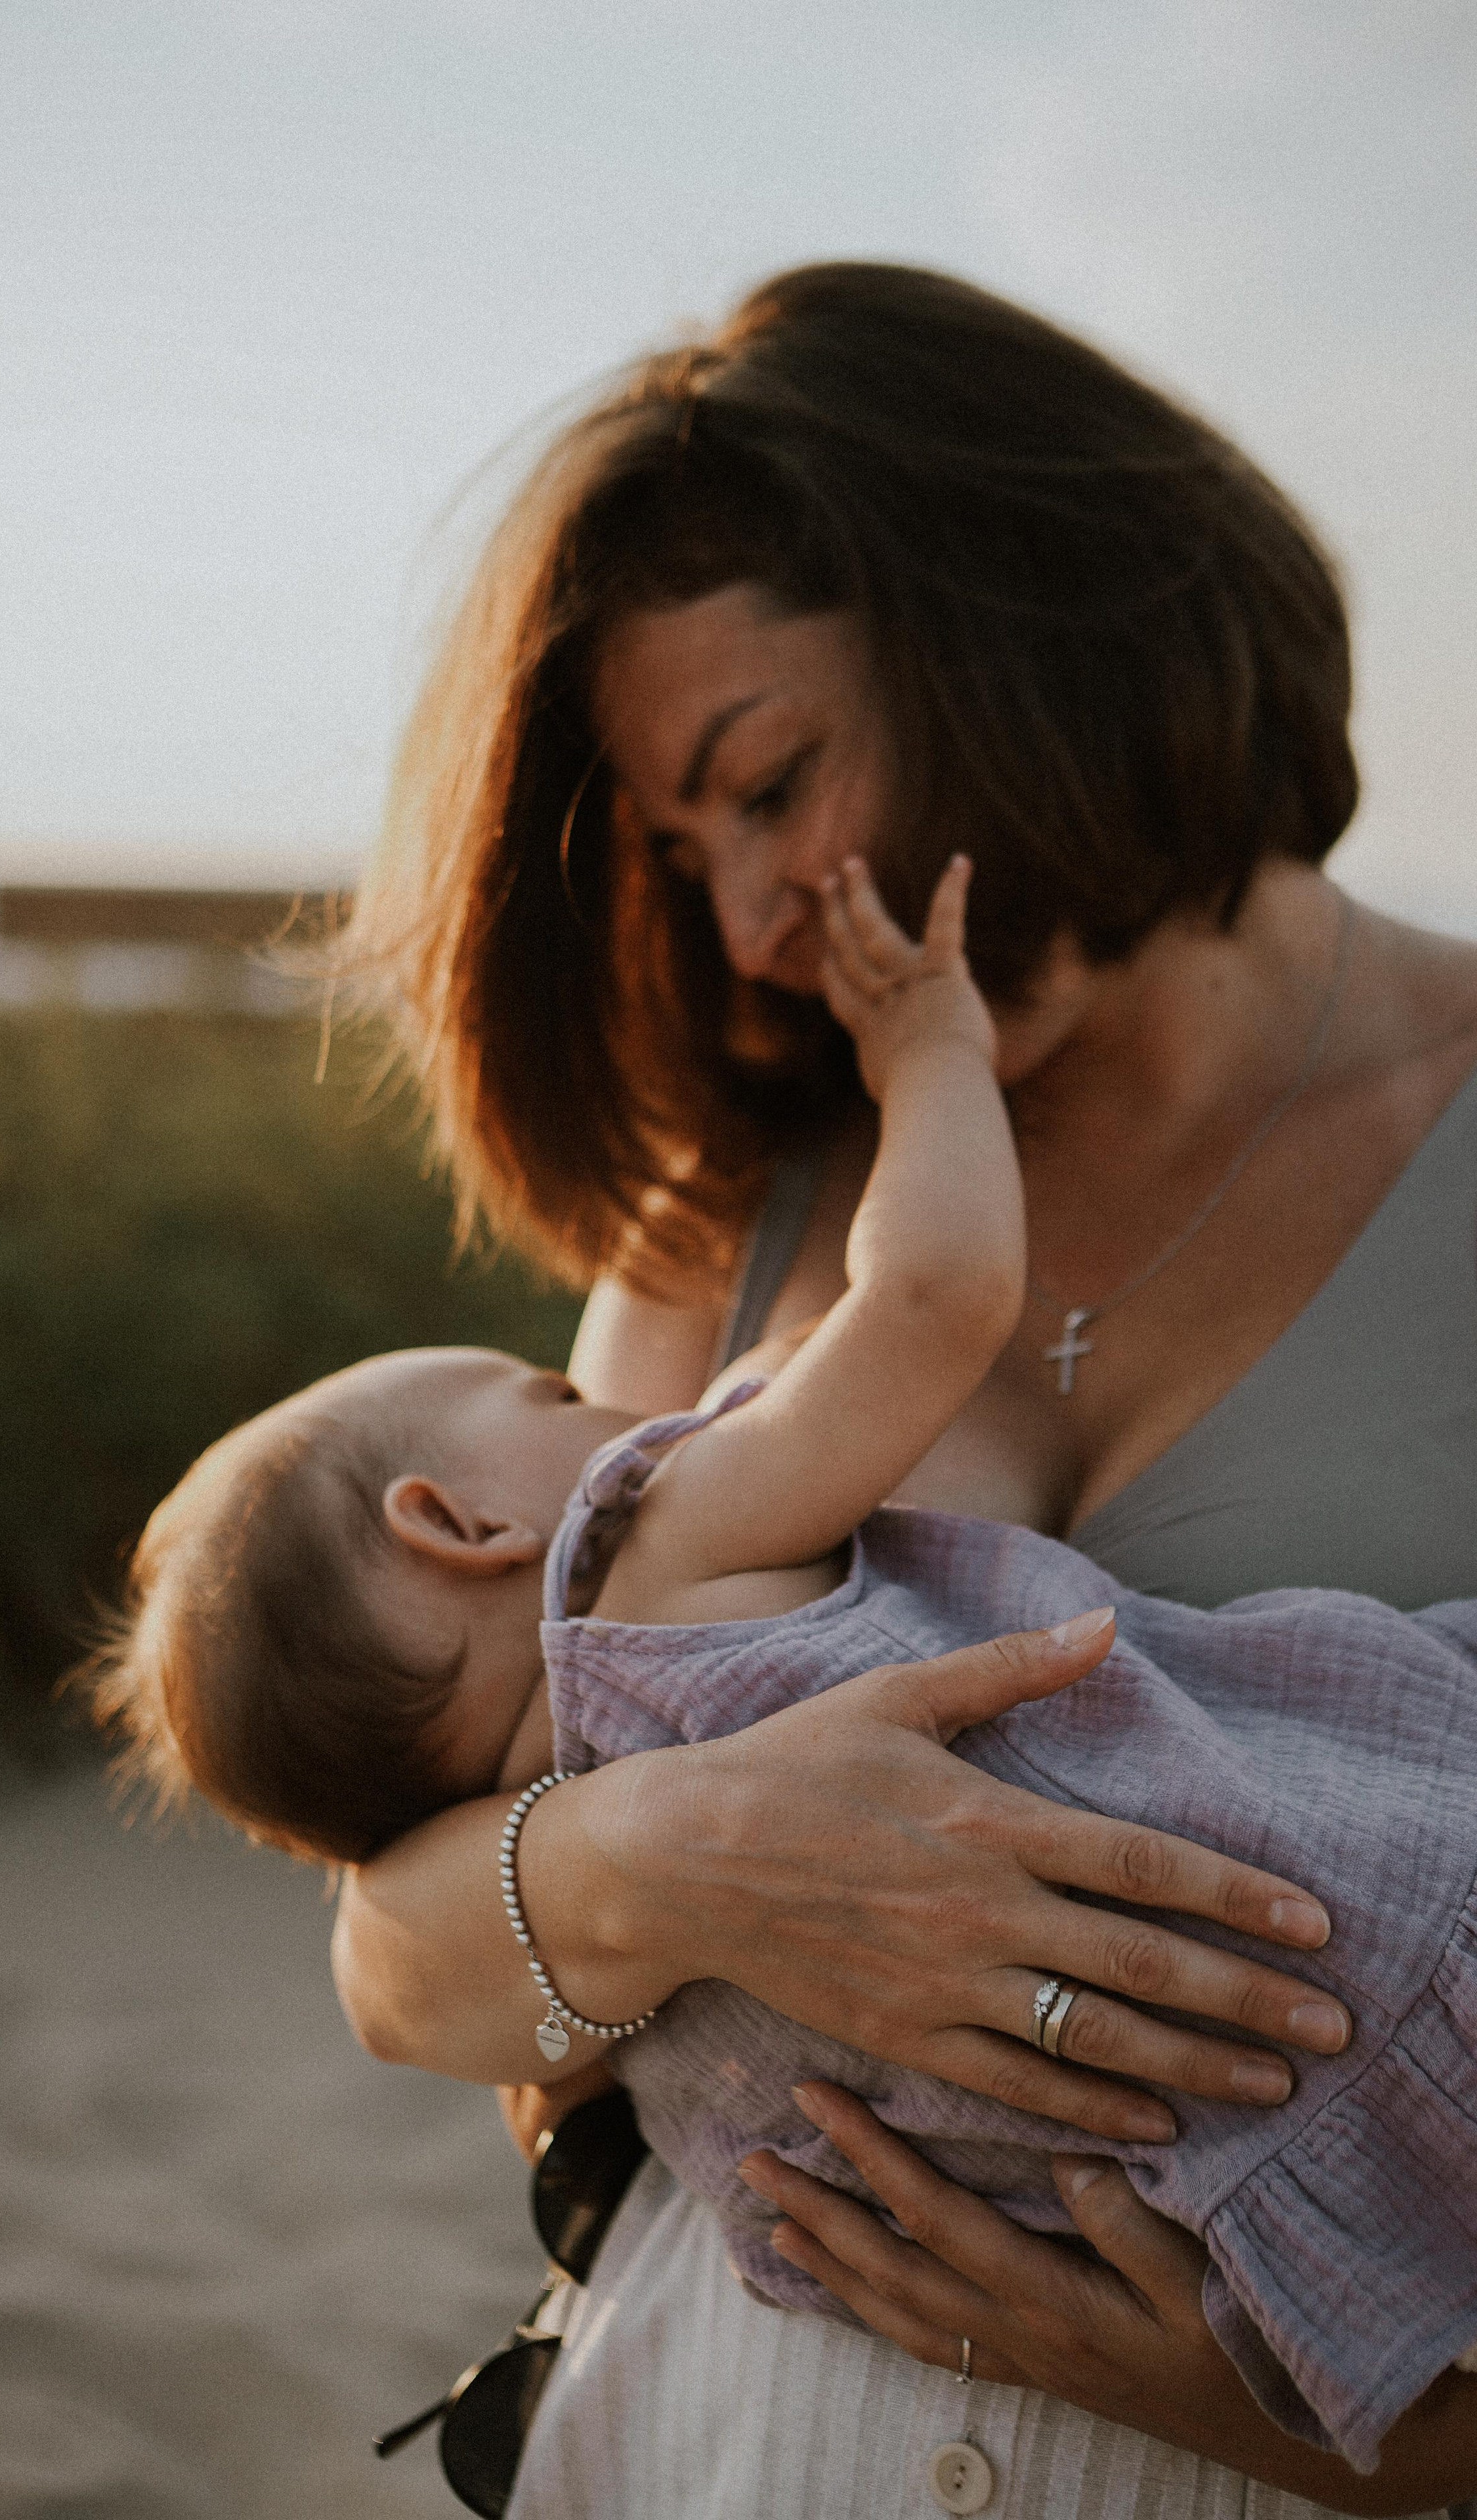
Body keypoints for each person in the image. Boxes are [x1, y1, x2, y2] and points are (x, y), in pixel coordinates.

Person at [332, 263, 1477, 2514]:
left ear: (1036, 630)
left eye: (773, 785)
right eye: (689, 859)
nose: (757, 923)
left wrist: (1403, 2446)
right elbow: (397, 1956)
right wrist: (685, 1855)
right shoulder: (738, 1210)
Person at [102, 854, 1477, 2475]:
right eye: (545, 1396)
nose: (610, 1408)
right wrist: (931, 1058)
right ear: (454, 1523)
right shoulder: (655, 1537)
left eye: (762, 786)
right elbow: (935, 1294)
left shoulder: (619, 1935)